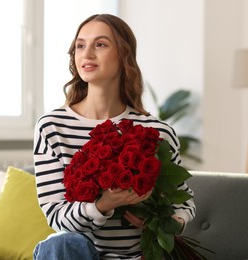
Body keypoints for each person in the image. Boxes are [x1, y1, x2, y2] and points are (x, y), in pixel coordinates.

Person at [33, 14, 195, 260]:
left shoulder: (158, 132)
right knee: (60, 243)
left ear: (123, 54)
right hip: (79, 255)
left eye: (100, 44)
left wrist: (165, 223)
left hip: (140, 256)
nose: (86, 53)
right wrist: (103, 205)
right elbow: (56, 216)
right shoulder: (53, 127)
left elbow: (185, 204)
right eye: (80, 45)